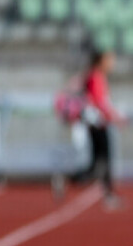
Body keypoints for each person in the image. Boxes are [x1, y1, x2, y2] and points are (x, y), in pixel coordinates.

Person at [53, 49, 126, 208]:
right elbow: (99, 101)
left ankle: (104, 192)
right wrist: (114, 116)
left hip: (97, 122)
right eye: (110, 60)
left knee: (98, 162)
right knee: (102, 161)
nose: (112, 63)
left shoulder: (93, 76)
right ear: (101, 61)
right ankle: (107, 194)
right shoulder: (95, 77)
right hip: (97, 123)